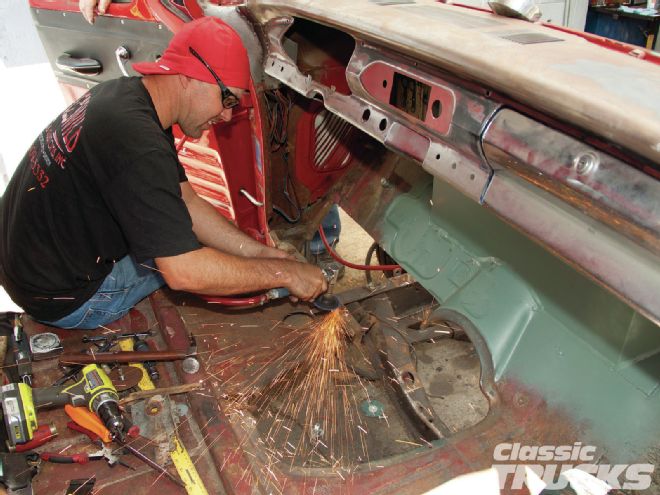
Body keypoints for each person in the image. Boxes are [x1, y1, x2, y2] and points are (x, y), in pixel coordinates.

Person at [0, 17, 327, 330]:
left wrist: (263, 253)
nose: (227, 116)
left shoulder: (129, 97)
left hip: (25, 267)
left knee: (178, 235)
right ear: (189, 75)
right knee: (186, 261)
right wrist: (283, 274)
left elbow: (186, 202)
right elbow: (184, 272)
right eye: (227, 98)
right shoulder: (138, 143)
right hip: (65, 299)